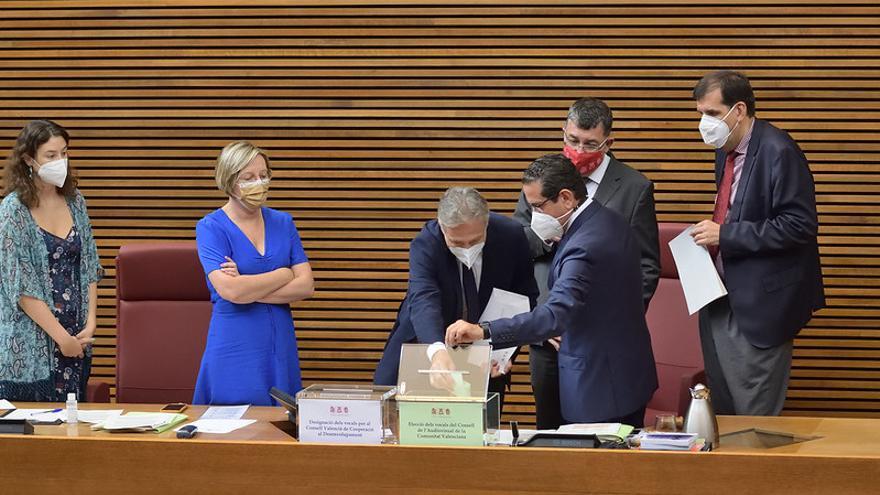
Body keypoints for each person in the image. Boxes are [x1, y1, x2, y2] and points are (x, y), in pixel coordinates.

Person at [447, 155, 657, 426]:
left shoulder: (584, 246)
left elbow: (556, 315)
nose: (534, 216)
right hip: (625, 374)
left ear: (566, 198)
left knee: (592, 467)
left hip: (599, 387)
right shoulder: (609, 220)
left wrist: (483, 330)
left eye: (537, 207)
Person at [512, 97, 660, 429]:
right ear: (563, 132)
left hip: (599, 339)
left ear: (609, 141)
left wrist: (608, 322)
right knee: (549, 430)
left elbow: (645, 266)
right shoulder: (540, 179)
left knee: (600, 434)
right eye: (573, 140)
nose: (579, 150)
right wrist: (546, 315)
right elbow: (520, 246)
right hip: (547, 334)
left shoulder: (635, 188)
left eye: (590, 144)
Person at [690, 70, 825, 415]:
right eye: (701, 114)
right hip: (720, 297)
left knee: (754, 417)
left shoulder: (779, 150)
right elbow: (734, 209)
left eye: (713, 114)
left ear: (739, 110)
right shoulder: (726, 149)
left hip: (761, 306)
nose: (705, 124)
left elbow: (800, 226)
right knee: (723, 412)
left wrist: (726, 235)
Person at [374, 187, 538, 407]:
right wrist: (437, 351)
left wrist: (504, 353)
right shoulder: (427, 243)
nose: (467, 248)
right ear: (443, 228)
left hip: (485, 353)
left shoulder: (511, 236)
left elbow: (524, 297)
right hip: (425, 342)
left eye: (475, 240)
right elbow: (423, 299)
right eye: (458, 243)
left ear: (486, 223)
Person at [193, 141, 314, 405]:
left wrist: (249, 288)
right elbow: (231, 291)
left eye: (263, 175)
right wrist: (283, 274)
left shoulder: (283, 222)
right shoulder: (210, 227)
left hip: (280, 342)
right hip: (235, 343)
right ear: (228, 180)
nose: (258, 183)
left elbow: (306, 286)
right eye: (248, 178)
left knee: (283, 427)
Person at [0, 119, 103, 402]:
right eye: (51, 155)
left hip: (75, 337)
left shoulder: (75, 200)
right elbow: (20, 286)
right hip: (32, 340)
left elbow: (90, 265)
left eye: (64, 153)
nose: (61, 161)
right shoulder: (13, 210)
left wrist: (90, 322)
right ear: (28, 159)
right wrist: (61, 337)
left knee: (70, 430)